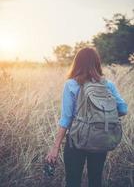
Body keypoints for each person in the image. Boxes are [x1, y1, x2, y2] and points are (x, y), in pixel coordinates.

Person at [45, 47, 128, 187]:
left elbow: (66, 118)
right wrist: (102, 117)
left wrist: (55, 147)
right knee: (95, 180)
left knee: (73, 181)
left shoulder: (71, 85)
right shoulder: (107, 85)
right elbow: (123, 109)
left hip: (76, 141)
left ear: (77, 63)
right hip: (100, 139)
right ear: (97, 62)